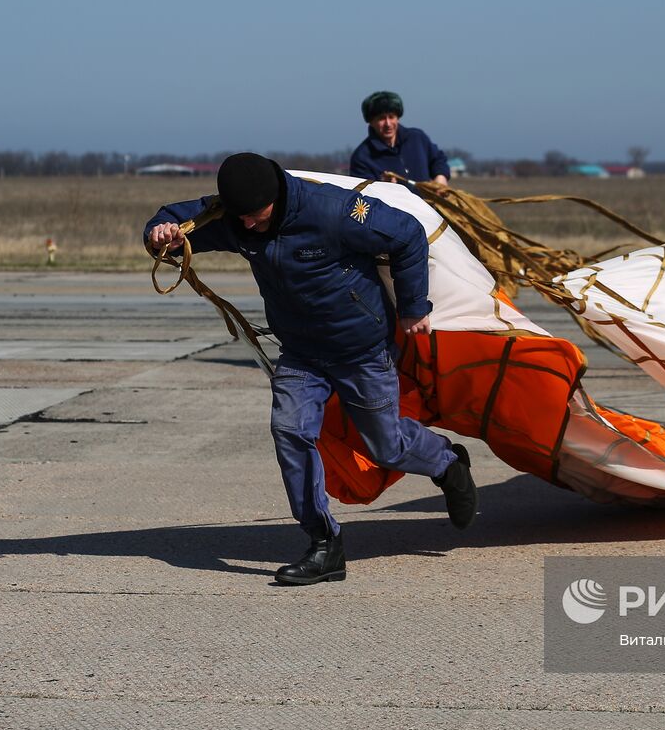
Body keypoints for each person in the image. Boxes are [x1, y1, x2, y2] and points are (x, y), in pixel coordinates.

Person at [144, 152, 477, 586]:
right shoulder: (237, 214)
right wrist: (159, 233)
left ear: (275, 197)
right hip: (300, 354)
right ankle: (324, 543)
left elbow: (408, 235)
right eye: (239, 218)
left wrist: (414, 306)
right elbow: (175, 221)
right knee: (290, 431)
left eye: (255, 217)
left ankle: (447, 463)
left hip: (360, 350)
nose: (246, 227)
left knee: (385, 446)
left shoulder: (334, 211)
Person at [349, 91, 451, 185]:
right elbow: (364, 197)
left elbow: (438, 159)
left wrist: (440, 178)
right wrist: (384, 187)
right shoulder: (361, 158)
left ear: (398, 118)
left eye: (391, 117)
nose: (388, 124)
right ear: (370, 121)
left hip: (426, 204)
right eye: (381, 118)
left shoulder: (418, 138)